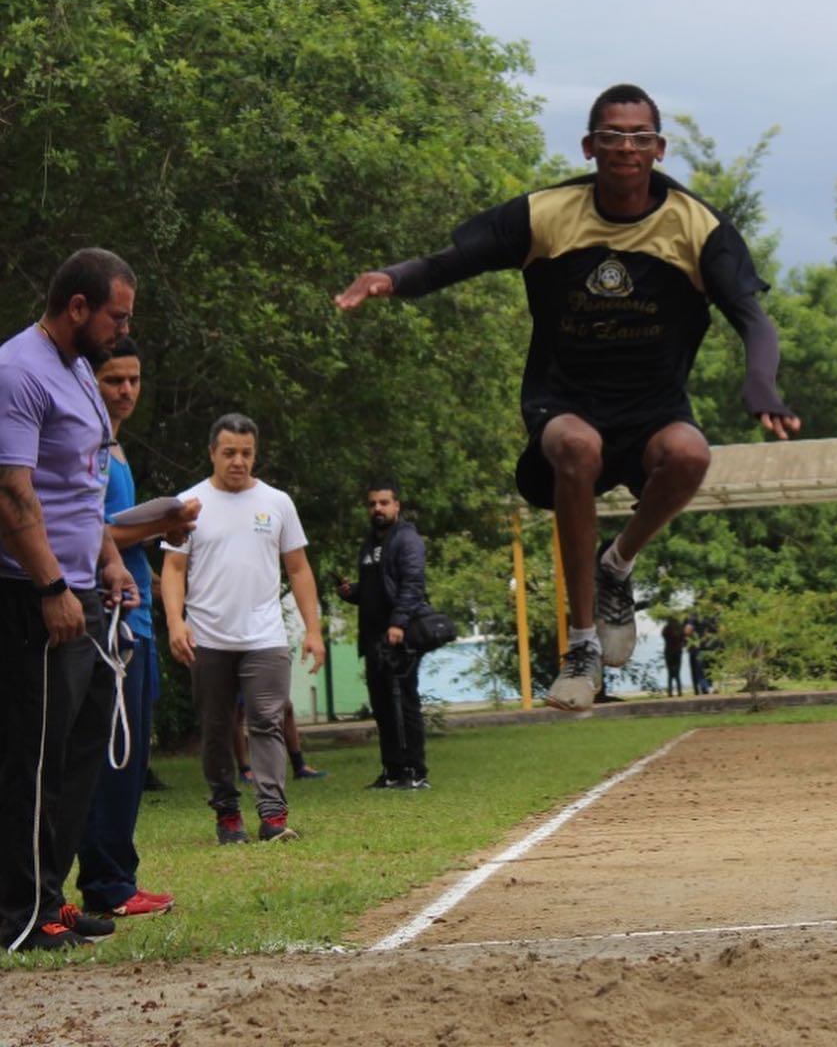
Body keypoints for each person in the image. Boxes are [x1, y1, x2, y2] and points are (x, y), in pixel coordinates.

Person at [336, 84, 799, 712]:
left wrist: (761, 383)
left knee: (691, 455)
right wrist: (392, 277)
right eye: (611, 136)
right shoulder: (547, 214)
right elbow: (454, 260)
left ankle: (618, 564)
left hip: (652, 408)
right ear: (590, 146)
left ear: (659, 149)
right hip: (566, 399)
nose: (625, 148)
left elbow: (753, 316)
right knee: (577, 447)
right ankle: (581, 644)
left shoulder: (697, 226)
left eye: (639, 137)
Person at [0, 248, 139, 951]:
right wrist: (53, 585)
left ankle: (51, 899)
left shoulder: (78, 370)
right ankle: (21, 915)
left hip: (83, 590)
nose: (122, 330)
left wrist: (109, 561)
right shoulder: (18, 370)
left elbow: (82, 485)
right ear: (77, 307)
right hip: (31, 594)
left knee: (75, 755)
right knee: (32, 759)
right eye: (116, 316)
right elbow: (11, 490)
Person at [76, 337, 199, 919]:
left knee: (130, 752)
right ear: (89, 382)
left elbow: (118, 531)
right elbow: (88, 529)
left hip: (138, 615)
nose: (126, 391)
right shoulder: (87, 446)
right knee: (109, 755)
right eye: (113, 380)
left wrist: (160, 532)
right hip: (108, 620)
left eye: (133, 379)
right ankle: (105, 884)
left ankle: (119, 875)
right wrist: (158, 523)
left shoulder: (116, 446)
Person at [160, 414, 325, 844]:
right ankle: (227, 813)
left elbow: (299, 569)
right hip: (208, 637)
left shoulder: (277, 503)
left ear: (256, 454)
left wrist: (313, 630)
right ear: (212, 452)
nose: (238, 461)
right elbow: (174, 569)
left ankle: (273, 815)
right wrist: (176, 622)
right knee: (216, 727)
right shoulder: (189, 504)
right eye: (229, 452)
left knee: (268, 720)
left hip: (265, 636)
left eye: (246, 453)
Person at [337, 484, 432, 790]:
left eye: (383, 503)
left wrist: (399, 623)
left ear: (397, 506)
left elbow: (412, 585)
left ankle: (416, 771)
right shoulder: (367, 545)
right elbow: (375, 591)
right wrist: (351, 593)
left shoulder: (407, 540)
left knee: (405, 701)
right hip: (373, 637)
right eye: (372, 503)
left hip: (400, 635)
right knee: (382, 706)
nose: (377, 508)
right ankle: (392, 771)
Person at [661, 617, 685, 696]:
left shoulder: (667, 629)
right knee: (677, 673)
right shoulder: (680, 629)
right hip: (678, 652)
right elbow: (683, 639)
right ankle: (679, 692)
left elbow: (663, 635)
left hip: (668, 652)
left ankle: (670, 692)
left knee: (670, 673)